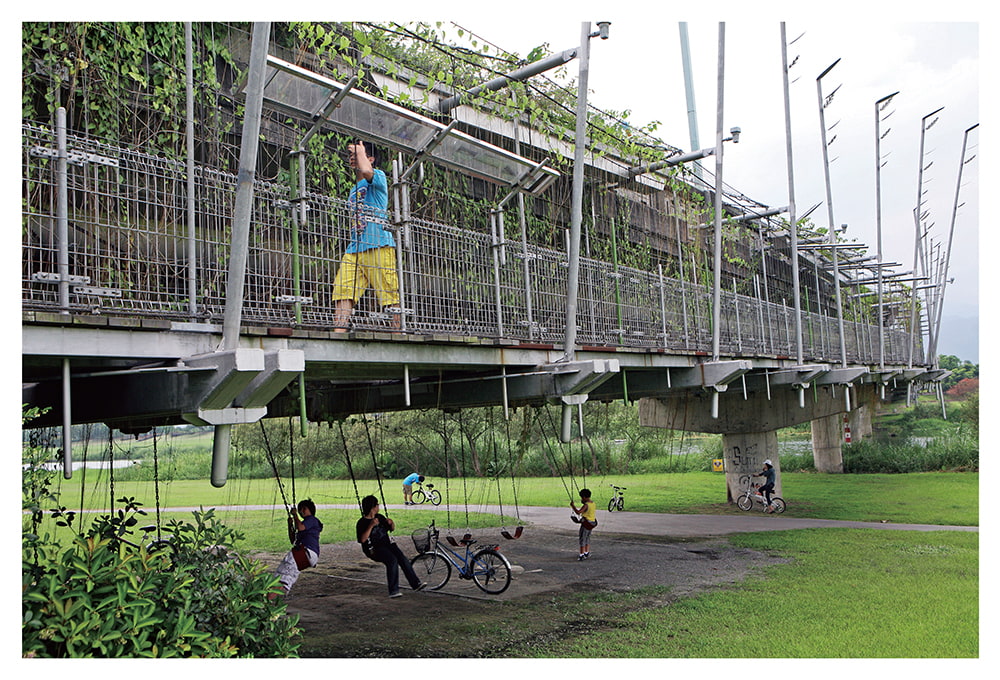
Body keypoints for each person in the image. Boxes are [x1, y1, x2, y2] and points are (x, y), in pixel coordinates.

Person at [331, 140, 400, 332]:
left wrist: (360, 153)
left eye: (357, 155)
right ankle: (338, 333)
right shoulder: (354, 189)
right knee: (343, 290)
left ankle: (398, 333)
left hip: (378, 244)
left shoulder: (378, 176)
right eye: (351, 156)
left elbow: (367, 171)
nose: (352, 158)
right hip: (355, 248)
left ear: (371, 159)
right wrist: (359, 154)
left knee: (388, 293)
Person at [356, 495, 425, 597]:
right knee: (392, 560)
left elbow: (391, 529)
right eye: (377, 505)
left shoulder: (380, 517)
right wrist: (371, 525)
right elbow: (362, 539)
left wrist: (391, 523)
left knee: (402, 558)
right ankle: (393, 591)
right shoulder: (362, 522)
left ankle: (416, 584)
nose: (378, 506)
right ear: (372, 507)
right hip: (374, 549)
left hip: (387, 545)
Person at [270, 499, 323, 599]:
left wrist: (295, 515)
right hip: (307, 555)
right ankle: (278, 596)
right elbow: (293, 540)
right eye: (300, 509)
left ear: (310, 510)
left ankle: (271, 597)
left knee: (283, 573)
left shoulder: (312, 520)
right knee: (287, 574)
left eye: (304, 508)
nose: (301, 511)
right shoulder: (306, 524)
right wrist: (290, 524)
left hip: (307, 552)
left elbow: (300, 527)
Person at [570, 488, 597, 560]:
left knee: (582, 538)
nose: (581, 499)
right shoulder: (593, 503)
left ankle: (581, 555)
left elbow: (578, 512)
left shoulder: (586, 505)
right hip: (591, 523)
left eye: (582, 497)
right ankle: (586, 552)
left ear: (584, 497)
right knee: (587, 538)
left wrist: (573, 506)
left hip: (585, 524)